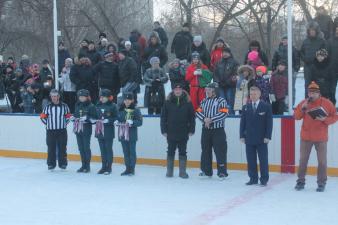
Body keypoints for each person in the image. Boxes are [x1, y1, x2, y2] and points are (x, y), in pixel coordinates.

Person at [294, 82, 337, 192]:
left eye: (314, 92)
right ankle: (300, 181)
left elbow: (335, 116)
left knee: (322, 162)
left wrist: (325, 120)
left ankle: (321, 183)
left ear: (319, 93)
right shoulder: (304, 103)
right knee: (303, 160)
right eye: (310, 92)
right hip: (306, 137)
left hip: (321, 137)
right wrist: (302, 109)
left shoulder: (327, 103)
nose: (311, 95)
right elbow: (296, 117)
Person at [160, 83, 195, 178]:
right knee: (170, 151)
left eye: (179, 89)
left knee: (183, 151)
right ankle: (169, 171)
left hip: (184, 131)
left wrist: (192, 129)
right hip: (171, 131)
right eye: (176, 90)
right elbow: (163, 117)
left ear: (182, 90)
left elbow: (192, 117)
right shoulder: (167, 102)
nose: (178, 91)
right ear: (173, 91)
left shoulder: (188, 102)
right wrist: (163, 130)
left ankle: (182, 172)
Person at [240, 86, 273, 186]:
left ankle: (264, 179)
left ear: (259, 95)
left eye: (255, 94)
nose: (253, 96)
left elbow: (269, 123)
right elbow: (243, 123)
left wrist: (268, 136)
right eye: (251, 94)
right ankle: (253, 178)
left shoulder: (266, 106)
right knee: (251, 160)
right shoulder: (246, 107)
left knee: (263, 160)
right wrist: (241, 135)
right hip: (249, 138)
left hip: (262, 139)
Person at [196, 82, 229, 179]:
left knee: (220, 151)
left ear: (215, 91)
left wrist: (211, 119)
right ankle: (206, 171)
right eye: (206, 90)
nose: (207, 92)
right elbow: (198, 112)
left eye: (209, 90)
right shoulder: (204, 101)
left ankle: (222, 172)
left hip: (218, 130)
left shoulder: (221, 100)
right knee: (205, 150)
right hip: (205, 130)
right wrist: (205, 119)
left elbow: (224, 113)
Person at [40, 89, 71, 170]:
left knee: (62, 147)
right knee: (51, 147)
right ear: (50, 97)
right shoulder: (47, 107)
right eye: (52, 96)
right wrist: (49, 124)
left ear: (58, 96)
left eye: (55, 96)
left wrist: (63, 124)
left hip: (62, 131)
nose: (54, 98)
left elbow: (68, 117)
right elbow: (42, 117)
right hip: (50, 131)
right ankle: (51, 164)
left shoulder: (65, 106)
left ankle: (63, 164)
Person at [116, 93, 143, 176]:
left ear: (132, 100)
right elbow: (118, 118)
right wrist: (117, 122)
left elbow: (140, 122)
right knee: (125, 152)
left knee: (132, 152)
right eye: (125, 100)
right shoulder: (120, 109)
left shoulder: (136, 110)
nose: (127, 101)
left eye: (129, 100)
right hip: (122, 134)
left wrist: (132, 122)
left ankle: (132, 169)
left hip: (131, 135)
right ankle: (127, 168)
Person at [94, 89, 118, 175]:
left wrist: (109, 120)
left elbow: (116, 117)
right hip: (99, 130)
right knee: (102, 150)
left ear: (109, 97)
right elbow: (94, 116)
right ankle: (103, 166)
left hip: (108, 131)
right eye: (101, 97)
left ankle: (109, 167)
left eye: (104, 97)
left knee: (108, 149)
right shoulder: (97, 105)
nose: (102, 98)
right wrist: (93, 119)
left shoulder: (113, 106)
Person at [72, 89, 97, 173]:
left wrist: (87, 118)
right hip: (78, 129)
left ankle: (87, 166)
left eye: (83, 97)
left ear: (87, 97)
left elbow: (95, 119)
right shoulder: (77, 105)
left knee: (86, 147)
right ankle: (83, 165)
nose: (81, 98)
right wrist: (73, 118)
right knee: (81, 148)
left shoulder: (91, 106)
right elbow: (75, 115)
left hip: (86, 129)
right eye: (80, 97)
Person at [271, 36, 300, 105]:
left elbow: (297, 60)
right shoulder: (278, 50)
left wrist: (296, 70)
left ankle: (291, 103)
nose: (285, 41)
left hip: (291, 71)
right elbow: (274, 60)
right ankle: (281, 103)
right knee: (280, 87)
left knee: (291, 87)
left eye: (286, 40)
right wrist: (274, 69)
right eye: (284, 40)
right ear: (282, 41)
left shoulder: (293, 49)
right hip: (280, 71)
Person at [300, 21, 327, 97]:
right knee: (307, 86)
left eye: (313, 30)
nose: (312, 32)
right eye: (310, 30)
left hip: (318, 67)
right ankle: (307, 103)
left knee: (318, 86)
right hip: (307, 67)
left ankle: (318, 103)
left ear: (316, 31)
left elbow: (325, 53)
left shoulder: (321, 41)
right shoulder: (305, 41)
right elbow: (301, 52)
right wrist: (304, 59)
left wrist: (319, 59)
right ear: (308, 31)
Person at [213, 47, 239, 114]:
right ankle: (223, 115)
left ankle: (231, 116)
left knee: (230, 102)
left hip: (230, 86)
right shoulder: (218, 62)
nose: (225, 54)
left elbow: (235, 73)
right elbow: (215, 74)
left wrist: (228, 81)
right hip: (220, 86)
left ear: (230, 53)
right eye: (224, 52)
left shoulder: (234, 62)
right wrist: (218, 82)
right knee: (222, 101)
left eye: (226, 52)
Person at [327, 25, 338, 105]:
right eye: (336, 30)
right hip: (332, 69)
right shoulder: (330, 41)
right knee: (332, 89)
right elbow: (326, 55)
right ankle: (332, 105)